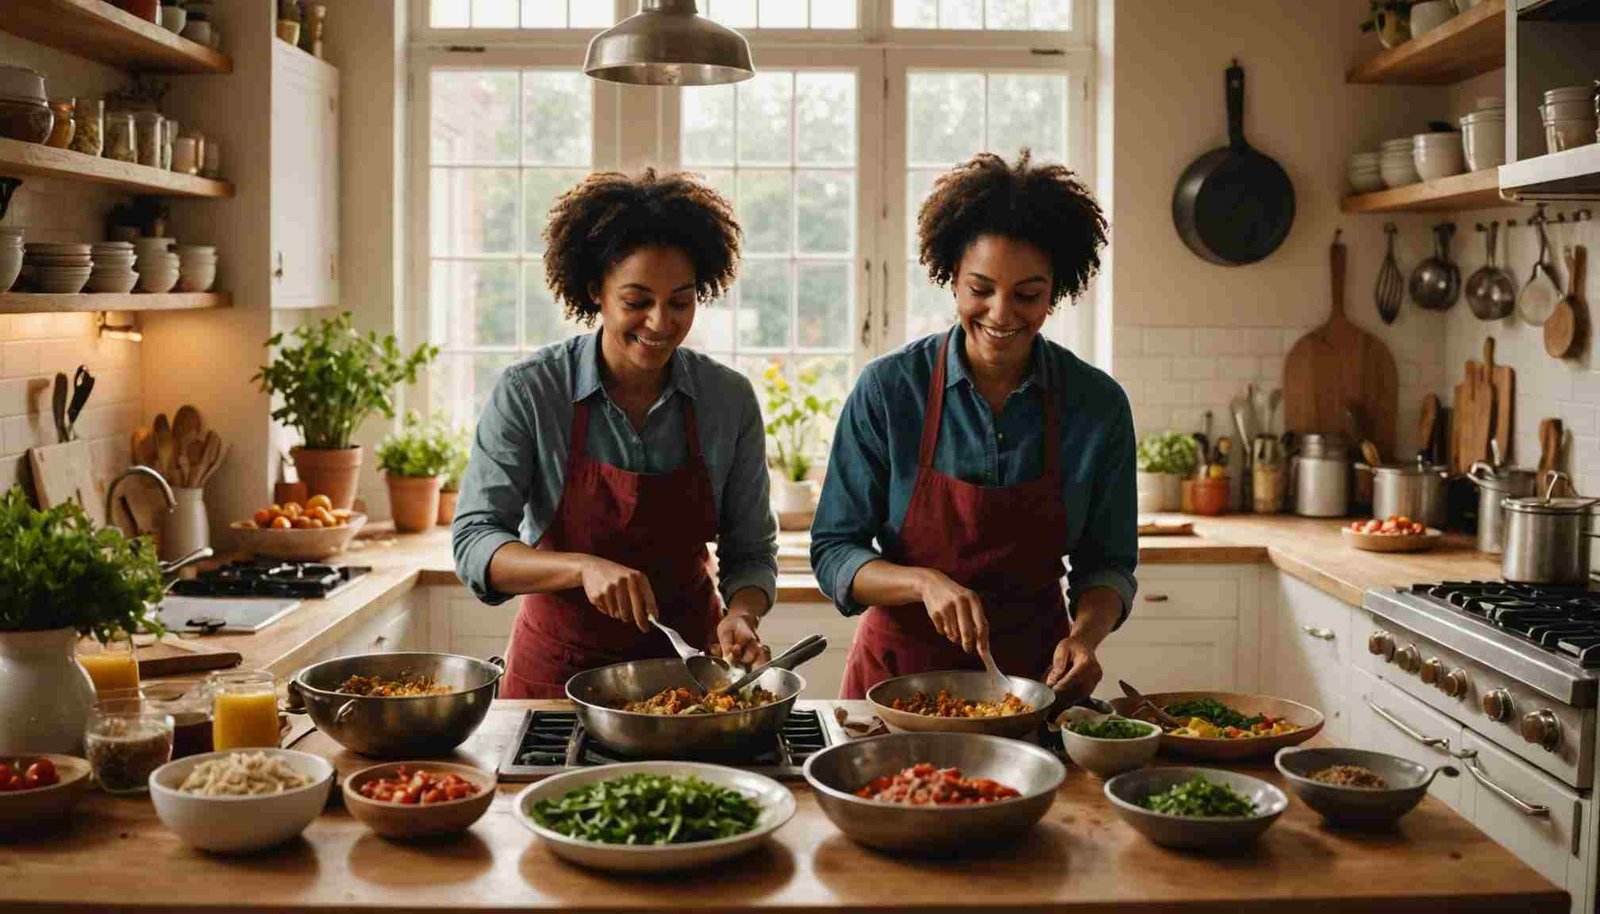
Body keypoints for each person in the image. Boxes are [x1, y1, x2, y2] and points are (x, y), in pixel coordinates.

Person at [810, 150, 1136, 704]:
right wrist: (921, 582)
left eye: (1028, 294)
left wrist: (1085, 637)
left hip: (1033, 683)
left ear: (1056, 289)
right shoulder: (889, 391)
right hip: (896, 683)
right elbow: (835, 551)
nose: (1002, 313)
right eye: (981, 289)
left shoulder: (1096, 405)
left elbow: (1108, 563)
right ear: (952, 277)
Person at [452, 169, 778, 699]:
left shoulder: (728, 400)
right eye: (636, 301)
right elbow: (475, 544)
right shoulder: (531, 392)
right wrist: (580, 568)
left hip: (693, 677)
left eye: (680, 301)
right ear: (594, 292)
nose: (660, 322)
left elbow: (752, 551)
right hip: (557, 675)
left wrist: (742, 613)